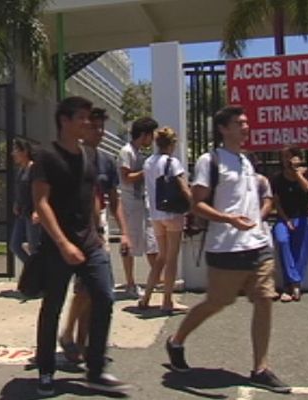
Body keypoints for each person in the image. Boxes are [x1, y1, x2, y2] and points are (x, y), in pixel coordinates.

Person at [165, 105, 291, 394]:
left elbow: (256, 198)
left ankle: (261, 367)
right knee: (216, 303)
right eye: (239, 123)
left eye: (246, 122)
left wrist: (258, 218)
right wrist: (228, 219)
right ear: (223, 129)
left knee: (264, 300)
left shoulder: (247, 161)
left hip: (258, 245)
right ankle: (176, 340)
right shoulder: (210, 161)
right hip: (226, 249)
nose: (246, 127)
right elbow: (197, 205)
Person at [32, 97, 130, 396]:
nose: (88, 124)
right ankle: (46, 370)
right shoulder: (45, 156)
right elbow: (41, 202)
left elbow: (91, 198)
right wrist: (62, 243)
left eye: (90, 119)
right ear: (64, 120)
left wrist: (99, 234)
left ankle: (96, 370)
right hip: (57, 245)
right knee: (53, 307)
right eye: (83, 118)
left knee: (104, 297)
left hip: (89, 241)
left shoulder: (90, 156)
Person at [58, 107, 130, 363]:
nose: (99, 132)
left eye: (102, 127)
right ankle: (70, 337)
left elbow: (114, 199)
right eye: (93, 127)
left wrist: (124, 232)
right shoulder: (69, 158)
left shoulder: (106, 161)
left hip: (99, 228)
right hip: (76, 229)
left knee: (92, 289)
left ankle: (79, 341)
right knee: (85, 289)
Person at [142, 127, 191, 314]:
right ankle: (167, 300)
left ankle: (146, 296)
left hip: (155, 214)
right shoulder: (173, 162)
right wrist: (193, 205)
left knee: (161, 256)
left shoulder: (148, 162)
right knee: (171, 258)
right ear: (171, 144)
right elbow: (184, 188)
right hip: (172, 213)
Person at [117, 117, 160, 298]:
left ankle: (158, 279)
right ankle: (130, 283)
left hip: (141, 202)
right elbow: (126, 177)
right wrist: (147, 171)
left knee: (151, 241)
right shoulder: (126, 152)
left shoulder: (139, 153)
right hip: (129, 203)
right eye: (151, 135)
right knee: (130, 243)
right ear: (144, 135)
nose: (153, 140)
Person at [272, 146, 308, 302]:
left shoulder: (304, 174)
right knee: (282, 240)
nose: (287, 160)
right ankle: (294, 282)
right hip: (284, 218)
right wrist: (286, 219)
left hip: (302, 217)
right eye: (284, 157)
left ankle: (292, 286)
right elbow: (277, 202)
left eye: (290, 156)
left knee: (299, 250)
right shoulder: (277, 178)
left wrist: (296, 172)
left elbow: (307, 188)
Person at [10, 138, 40, 264]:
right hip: (23, 213)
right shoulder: (21, 170)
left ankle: (38, 276)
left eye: (16, 150)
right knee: (15, 245)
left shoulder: (34, 168)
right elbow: (20, 190)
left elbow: (40, 190)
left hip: (33, 212)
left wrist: (38, 210)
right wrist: (17, 202)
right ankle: (32, 270)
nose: (13, 154)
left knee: (34, 247)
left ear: (25, 151)